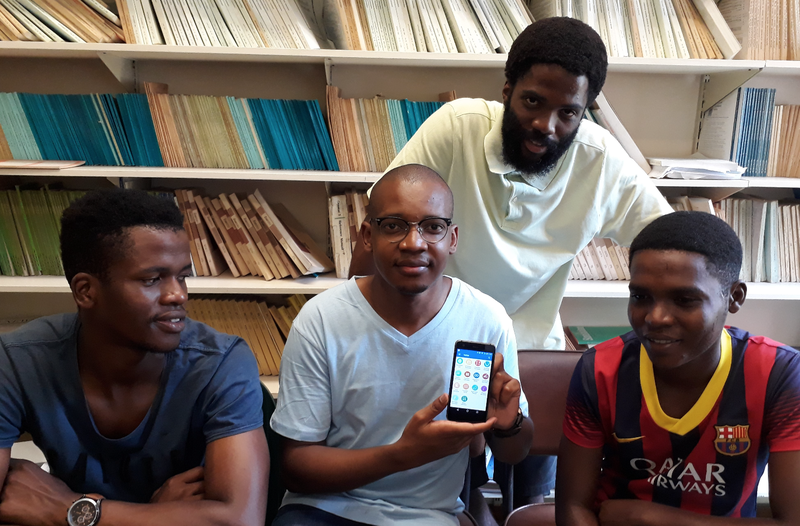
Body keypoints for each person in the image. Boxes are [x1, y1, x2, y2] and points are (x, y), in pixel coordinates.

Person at [351, 16, 673, 508]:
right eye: (532, 102)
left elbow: (672, 243)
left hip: (524, 352)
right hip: (431, 337)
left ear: (586, 112)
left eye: (569, 112)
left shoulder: (600, 160)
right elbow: (384, 226)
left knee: (531, 494)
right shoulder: (456, 127)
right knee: (436, 491)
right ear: (507, 90)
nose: (546, 126)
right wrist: (356, 330)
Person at [270, 164, 533, 526]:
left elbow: (515, 453)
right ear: (366, 235)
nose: (413, 243)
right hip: (322, 509)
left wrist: (508, 425)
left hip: (430, 516)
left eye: (433, 227)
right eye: (393, 226)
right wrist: (404, 454)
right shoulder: (321, 320)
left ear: (452, 238)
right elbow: (296, 468)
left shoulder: (486, 320)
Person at [0, 189, 269, 526]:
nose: (178, 295)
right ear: (86, 291)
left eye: (183, 276)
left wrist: (69, 510)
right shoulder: (17, 362)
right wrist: (158, 516)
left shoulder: (221, 362)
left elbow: (239, 521)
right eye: (152, 279)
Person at [557, 211, 800, 525]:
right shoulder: (600, 369)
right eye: (640, 296)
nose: (656, 318)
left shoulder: (779, 375)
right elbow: (573, 506)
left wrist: (648, 517)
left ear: (734, 298)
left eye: (685, 299)